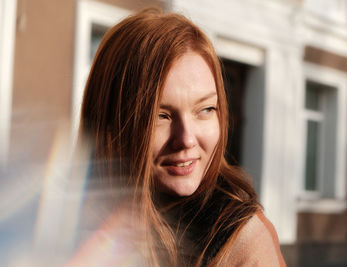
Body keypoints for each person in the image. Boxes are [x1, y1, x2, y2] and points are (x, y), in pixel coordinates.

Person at [76, 8, 286, 267]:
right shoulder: (62, 222)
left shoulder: (241, 243)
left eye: (205, 109)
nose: (186, 139)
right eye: (160, 116)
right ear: (110, 123)